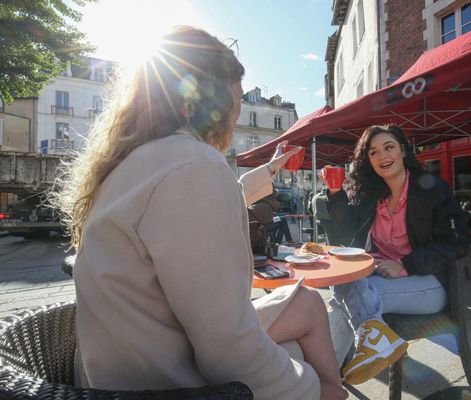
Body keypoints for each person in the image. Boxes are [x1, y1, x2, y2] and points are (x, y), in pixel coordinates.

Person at [53, 26, 346, 400]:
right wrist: (315, 390)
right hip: (164, 383)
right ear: (214, 103)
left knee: (304, 302)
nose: (237, 112)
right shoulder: (193, 166)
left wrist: (270, 171)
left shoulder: (141, 162)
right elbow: (227, 349)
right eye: (235, 101)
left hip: (124, 362)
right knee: (304, 355)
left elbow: (191, 215)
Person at [313, 125, 470, 385]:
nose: (382, 156)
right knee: (344, 285)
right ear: (368, 161)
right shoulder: (372, 195)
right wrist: (334, 192)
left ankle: (321, 378)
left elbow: (457, 242)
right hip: (381, 276)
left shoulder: (431, 189)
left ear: (403, 150)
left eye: (389, 147)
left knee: (349, 295)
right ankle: (329, 376)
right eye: (373, 152)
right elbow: (344, 230)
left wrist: (404, 265)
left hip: (429, 282)